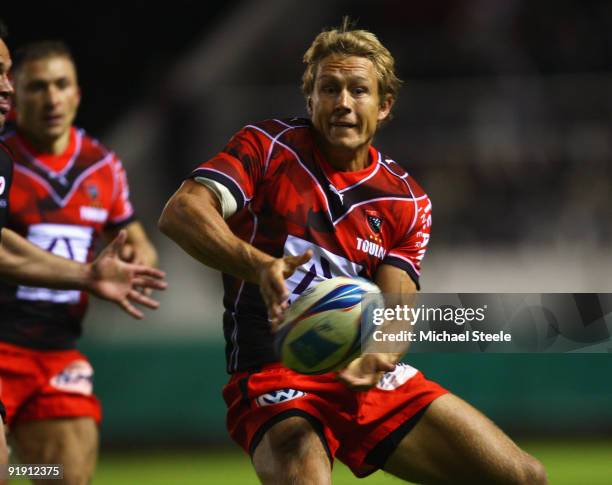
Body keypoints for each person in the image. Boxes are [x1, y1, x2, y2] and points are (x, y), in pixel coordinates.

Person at [159, 19, 547, 484]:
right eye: (330, 89)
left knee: (524, 477)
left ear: (384, 105)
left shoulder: (407, 200)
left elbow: (398, 302)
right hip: (276, 372)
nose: (342, 102)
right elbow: (181, 211)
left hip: (362, 373)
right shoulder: (267, 148)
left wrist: (381, 352)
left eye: (358, 90)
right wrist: (259, 266)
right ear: (311, 100)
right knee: (306, 474)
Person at [0, 35, 161, 485]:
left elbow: (132, 236)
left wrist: (136, 258)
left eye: (60, 84)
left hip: (55, 353)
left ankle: (18, 467)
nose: (51, 97)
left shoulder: (101, 165)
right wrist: (90, 274)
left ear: (77, 93)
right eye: (36, 86)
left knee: (63, 475)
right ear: (15, 92)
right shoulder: (4, 156)